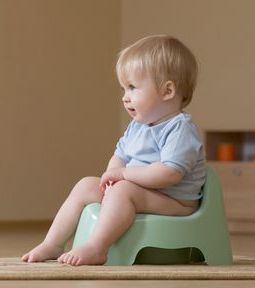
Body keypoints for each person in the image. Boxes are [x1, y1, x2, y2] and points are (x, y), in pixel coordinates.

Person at [22, 35, 206, 266]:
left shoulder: (179, 128)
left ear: (167, 91)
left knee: (123, 190)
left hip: (176, 202)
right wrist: (112, 176)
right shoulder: (138, 126)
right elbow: (120, 156)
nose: (125, 97)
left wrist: (123, 176)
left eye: (132, 88)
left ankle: (97, 247)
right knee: (86, 185)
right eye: (123, 88)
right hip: (139, 192)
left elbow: (169, 174)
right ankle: (53, 243)